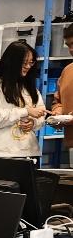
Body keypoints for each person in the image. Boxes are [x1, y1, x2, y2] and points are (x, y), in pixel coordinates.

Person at [0, 40, 46, 158]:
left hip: (29, 152)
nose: (28, 67)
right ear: (11, 63)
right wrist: (25, 111)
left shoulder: (31, 90)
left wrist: (34, 123)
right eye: (24, 62)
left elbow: (41, 114)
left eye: (31, 63)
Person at [50, 25, 73, 164]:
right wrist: (58, 113)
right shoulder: (67, 71)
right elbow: (58, 101)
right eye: (68, 45)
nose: (71, 49)